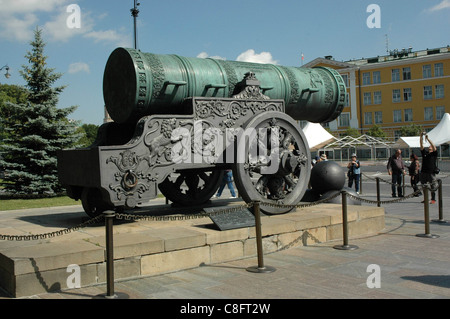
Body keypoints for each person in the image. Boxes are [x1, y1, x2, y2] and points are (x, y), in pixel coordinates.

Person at [419, 133, 438, 204]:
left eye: (431, 146)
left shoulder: (434, 154)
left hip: (431, 172)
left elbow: (433, 146)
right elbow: (421, 145)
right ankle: (425, 199)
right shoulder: (425, 153)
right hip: (424, 172)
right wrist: (421, 137)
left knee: (433, 186)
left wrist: (428, 139)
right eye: (429, 146)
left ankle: (433, 199)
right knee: (424, 186)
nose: (430, 146)